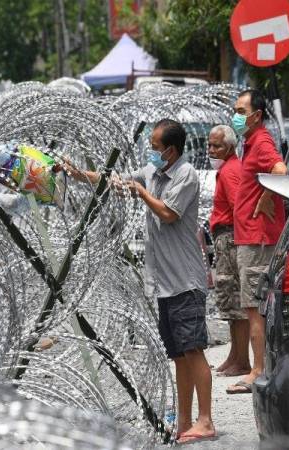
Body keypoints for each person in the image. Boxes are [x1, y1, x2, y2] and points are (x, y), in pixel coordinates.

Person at [66, 119, 215, 444]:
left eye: (155, 148)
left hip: (186, 281)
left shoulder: (185, 175)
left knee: (194, 351)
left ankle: (206, 420)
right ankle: (186, 420)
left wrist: (143, 193)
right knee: (178, 355)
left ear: (171, 151)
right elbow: (114, 182)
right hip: (166, 283)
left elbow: (168, 213)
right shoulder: (153, 172)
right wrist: (79, 174)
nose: (151, 153)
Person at [226, 89, 287, 395]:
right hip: (251, 237)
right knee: (256, 307)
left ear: (257, 115)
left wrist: (265, 198)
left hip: (257, 238)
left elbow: (280, 170)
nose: (236, 116)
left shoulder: (261, 141)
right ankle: (260, 368)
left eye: (241, 111)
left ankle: (258, 370)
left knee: (254, 308)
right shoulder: (251, 143)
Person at [208, 125, 251, 377]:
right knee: (229, 302)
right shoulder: (227, 169)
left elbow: (239, 207)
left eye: (217, 146)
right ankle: (235, 355)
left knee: (236, 301)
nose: (211, 150)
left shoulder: (230, 171)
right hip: (226, 238)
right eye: (210, 145)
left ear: (231, 147)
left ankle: (242, 360)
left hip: (231, 239)